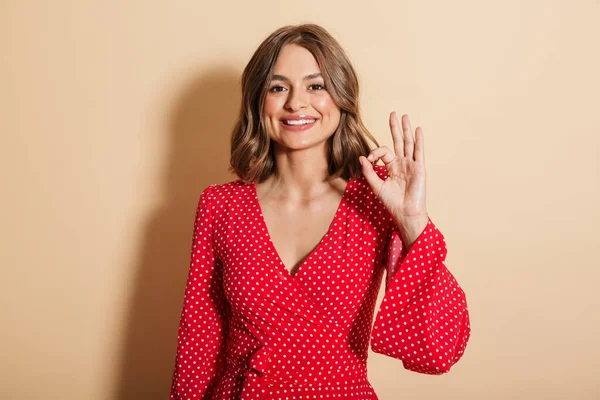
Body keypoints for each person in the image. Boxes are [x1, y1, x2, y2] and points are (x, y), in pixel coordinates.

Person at [169, 23, 470, 400]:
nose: (296, 103)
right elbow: (199, 347)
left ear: (340, 96)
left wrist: (413, 224)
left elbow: (437, 351)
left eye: (316, 86)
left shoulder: (375, 201)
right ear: (257, 100)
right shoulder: (220, 205)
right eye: (278, 87)